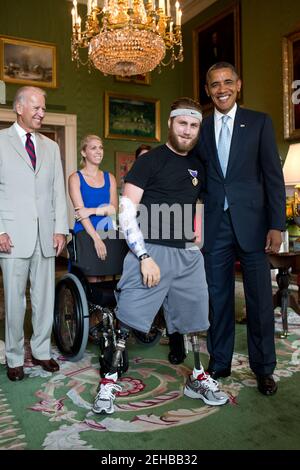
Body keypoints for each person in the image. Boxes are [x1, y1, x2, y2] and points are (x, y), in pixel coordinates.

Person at [92, 97, 229, 415]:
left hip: (186, 254)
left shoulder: (198, 165)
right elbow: (126, 211)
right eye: (183, 123)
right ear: (170, 123)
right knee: (128, 318)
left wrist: (196, 238)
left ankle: (197, 377)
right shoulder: (150, 161)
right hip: (150, 251)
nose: (188, 130)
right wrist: (142, 256)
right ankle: (109, 380)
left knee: (196, 320)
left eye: (194, 125)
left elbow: (195, 205)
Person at [196, 62, 286, 395]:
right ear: (207, 90)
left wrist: (276, 225)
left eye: (227, 82)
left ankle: (264, 368)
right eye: (215, 84)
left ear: (238, 85)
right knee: (218, 299)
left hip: (254, 225)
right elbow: (198, 178)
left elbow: (273, 179)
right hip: (215, 227)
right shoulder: (202, 128)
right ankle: (220, 362)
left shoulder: (260, 123)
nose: (221, 89)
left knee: (260, 300)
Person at [0, 86, 69, 381]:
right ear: (19, 108)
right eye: (36, 108)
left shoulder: (51, 147)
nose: (42, 112)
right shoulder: (0, 142)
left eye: (44, 108)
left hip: (45, 236)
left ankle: (41, 352)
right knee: (15, 301)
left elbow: (57, 191)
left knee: (44, 299)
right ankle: (14, 356)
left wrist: (60, 229)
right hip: (11, 235)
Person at [68, 134, 118, 286]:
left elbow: (114, 209)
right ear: (84, 152)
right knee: (93, 277)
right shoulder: (75, 178)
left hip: (107, 229)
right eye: (93, 148)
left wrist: (90, 210)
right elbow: (81, 215)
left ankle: (102, 308)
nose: (99, 151)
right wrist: (96, 239)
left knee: (105, 275)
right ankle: (89, 308)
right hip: (85, 231)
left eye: (101, 147)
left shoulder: (110, 177)